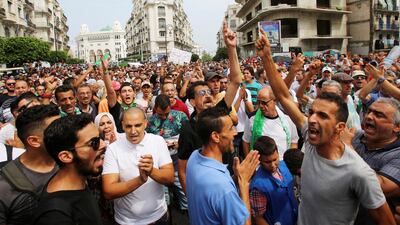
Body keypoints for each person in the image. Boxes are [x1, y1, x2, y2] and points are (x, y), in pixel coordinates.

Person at [256, 27, 395, 225]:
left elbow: (386, 221)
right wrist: (267, 57)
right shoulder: (312, 139)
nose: (312, 120)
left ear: (339, 128)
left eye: (322, 116)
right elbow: (283, 95)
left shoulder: (359, 172)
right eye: (312, 113)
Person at [177, 21, 242, 193]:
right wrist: (190, 198)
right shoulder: (187, 129)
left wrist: (231, 48)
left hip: (227, 181)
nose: (207, 95)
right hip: (202, 190)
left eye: (208, 92)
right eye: (201, 93)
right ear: (191, 102)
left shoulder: (219, 112)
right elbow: (182, 169)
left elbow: (235, 80)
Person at [186, 106, 260, 225]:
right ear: (215, 136)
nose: (235, 133)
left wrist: (236, 177)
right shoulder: (222, 187)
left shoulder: (194, 157)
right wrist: (243, 183)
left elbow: (213, 195)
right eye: (231, 128)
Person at [102, 108, 174, 225]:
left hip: (159, 217)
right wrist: (140, 180)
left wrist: (152, 171)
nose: (133, 131)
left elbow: (170, 178)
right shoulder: (113, 149)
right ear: (123, 126)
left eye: (138, 125)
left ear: (145, 123)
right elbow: (109, 191)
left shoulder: (158, 141)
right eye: (129, 126)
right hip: (126, 221)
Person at [34, 114, 106, 225]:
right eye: (93, 143)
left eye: (100, 138)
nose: (103, 145)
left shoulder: (80, 178)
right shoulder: (55, 216)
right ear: (66, 156)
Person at [0, 105, 60, 225]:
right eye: (56, 129)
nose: (65, 132)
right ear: (34, 141)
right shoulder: (4, 186)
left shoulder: (69, 164)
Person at [351, 98, 400, 224]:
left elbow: (378, 187)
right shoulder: (355, 136)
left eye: (379, 115)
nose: (369, 117)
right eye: (369, 111)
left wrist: (347, 149)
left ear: (397, 127)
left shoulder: (397, 154)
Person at [250, 136, 298, 225]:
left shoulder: (285, 166)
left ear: (278, 153)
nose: (273, 165)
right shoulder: (258, 186)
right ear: (259, 160)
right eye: (267, 162)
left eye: (275, 159)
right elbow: (258, 217)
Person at [243, 87, 299, 158]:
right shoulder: (252, 118)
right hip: (260, 165)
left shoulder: (288, 118)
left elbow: (293, 142)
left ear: (274, 101)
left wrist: (289, 163)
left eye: (264, 103)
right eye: (259, 102)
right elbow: (246, 141)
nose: (260, 106)